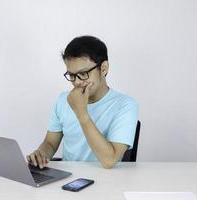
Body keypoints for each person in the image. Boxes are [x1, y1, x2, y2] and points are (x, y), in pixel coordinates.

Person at [27, 35, 139, 169]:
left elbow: (109, 160)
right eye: (71, 75)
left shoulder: (125, 105)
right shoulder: (63, 100)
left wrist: (81, 113)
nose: (77, 82)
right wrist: (41, 154)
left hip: (108, 182)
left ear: (103, 68)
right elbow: (50, 143)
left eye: (83, 73)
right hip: (68, 180)